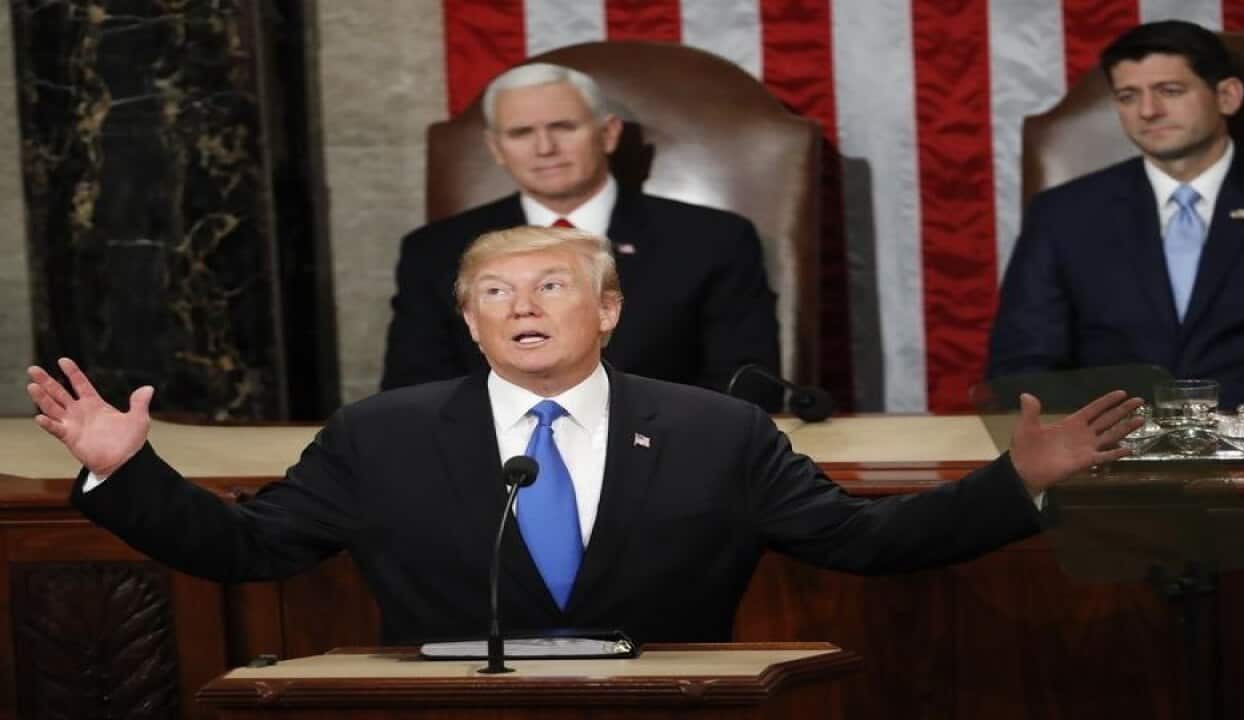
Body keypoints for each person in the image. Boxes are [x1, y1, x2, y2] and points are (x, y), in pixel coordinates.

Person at [28, 226, 1142, 646]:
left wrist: (1014, 484)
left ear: (605, 310)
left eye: (551, 284)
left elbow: (862, 544)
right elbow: (251, 552)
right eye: (495, 292)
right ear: (467, 322)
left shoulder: (714, 430)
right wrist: (128, 474)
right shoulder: (380, 435)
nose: (522, 305)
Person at [381, 62, 782, 409]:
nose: (545, 148)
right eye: (521, 133)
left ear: (608, 134)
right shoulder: (434, 251)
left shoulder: (712, 240)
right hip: (489, 464)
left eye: (563, 127)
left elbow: (745, 384)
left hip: (666, 458)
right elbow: (415, 391)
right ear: (496, 148)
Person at [987, 20, 1244, 409]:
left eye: (1170, 91)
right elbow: (1022, 367)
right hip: (1113, 453)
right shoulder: (1063, 215)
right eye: (1128, 96)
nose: (1148, 111)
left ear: (1227, 96)